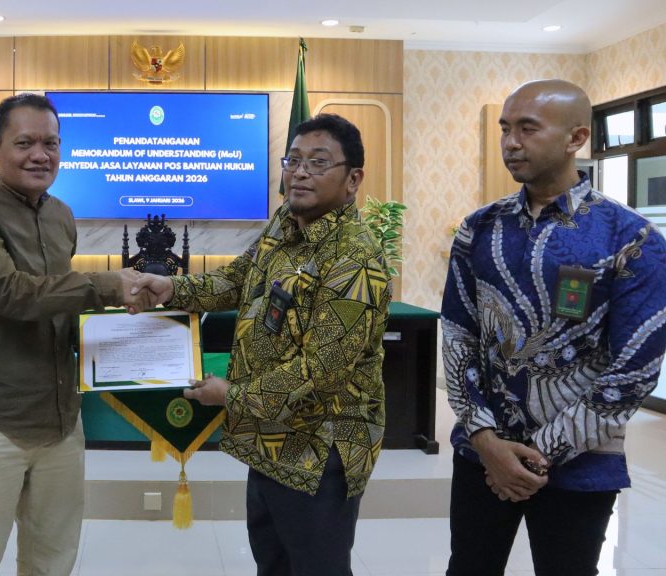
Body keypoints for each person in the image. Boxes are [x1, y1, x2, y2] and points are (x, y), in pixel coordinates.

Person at [133, 113, 392, 576]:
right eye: (293, 160)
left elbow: (319, 371)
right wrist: (172, 288)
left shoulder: (355, 259)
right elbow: (238, 279)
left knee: (317, 568)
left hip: (321, 451)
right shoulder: (284, 223)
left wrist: (229, 396)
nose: (300, 173)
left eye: (318, 162)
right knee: (273, 563)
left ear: (353, 179)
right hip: (269, 438)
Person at [441, 79, 666, 576]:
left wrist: (535, 457)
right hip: (482, 452)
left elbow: (634, 370)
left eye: (527, 129)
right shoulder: (479, 229)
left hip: (581, 462)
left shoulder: (632, 239)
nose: (511, 142)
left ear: (576, 138)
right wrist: (486, 441)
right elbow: (458, 336)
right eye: (505, 129)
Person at [0, 92, 151, 576]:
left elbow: (59, 308)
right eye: (25, 143)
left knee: (53, 559)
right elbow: (11, 294)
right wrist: (107, 287)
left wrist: (135, 341)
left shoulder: (62, 216)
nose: (40, 155)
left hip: (60, 422)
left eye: (51, 143)